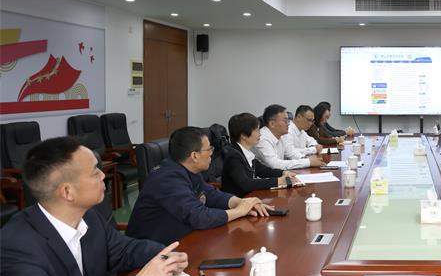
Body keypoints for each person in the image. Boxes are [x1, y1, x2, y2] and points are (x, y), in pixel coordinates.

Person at [0, 137, 189, 276]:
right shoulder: (15, 243)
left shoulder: (90, 217)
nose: (103, 175)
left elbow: (123, 249)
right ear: (67, 192)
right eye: (94, 172)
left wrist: (165, 256)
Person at [127, 126, 270, 245]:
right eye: (209, 149)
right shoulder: (167, 179)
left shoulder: (188, 169)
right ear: (194, 156)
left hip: (182, 239)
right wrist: (240, 211)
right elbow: (199, 217)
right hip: (152, 253)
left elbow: (210, 194)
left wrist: (240, 202)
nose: (211, 154)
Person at [222, 113, 296, 197]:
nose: (260, 134)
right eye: (257, 130)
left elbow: (263, 170)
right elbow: (245, 184)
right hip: (237, 201)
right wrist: (278, 181)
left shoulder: (245, 152)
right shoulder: (234, 156)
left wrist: (283, 172)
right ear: (244, 135)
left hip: (249, 197)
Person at [254, 105, 324, 170]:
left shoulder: (282, 135)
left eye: (288, 120)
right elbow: (274, 164)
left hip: (281, 174)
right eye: (285, 121)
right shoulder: (262, 139)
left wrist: (307, 159)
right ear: (272, 124)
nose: (288, 124)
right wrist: (308, 162)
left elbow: (291, 152)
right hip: (266, 177)